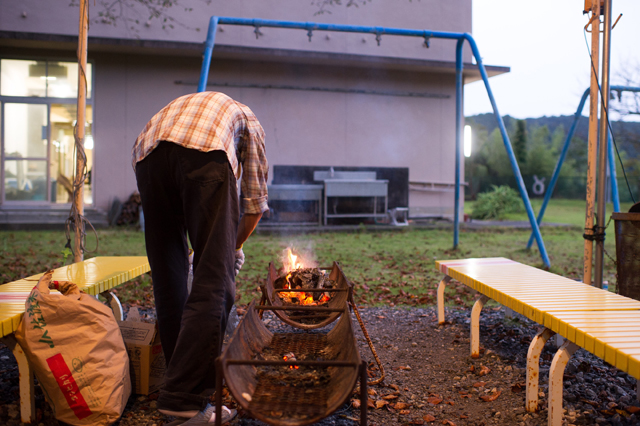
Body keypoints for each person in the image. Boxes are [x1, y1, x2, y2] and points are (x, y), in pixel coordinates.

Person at [132, 91, 268, 425]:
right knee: (215, 281)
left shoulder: (191, 107)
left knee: (170, 277)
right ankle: (184, 399)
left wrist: (213, 248)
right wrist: (229, 250)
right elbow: (253, 206)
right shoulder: (249, 120)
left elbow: (171, 161)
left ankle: (177, 383)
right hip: (204, 151)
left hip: (146, 156)